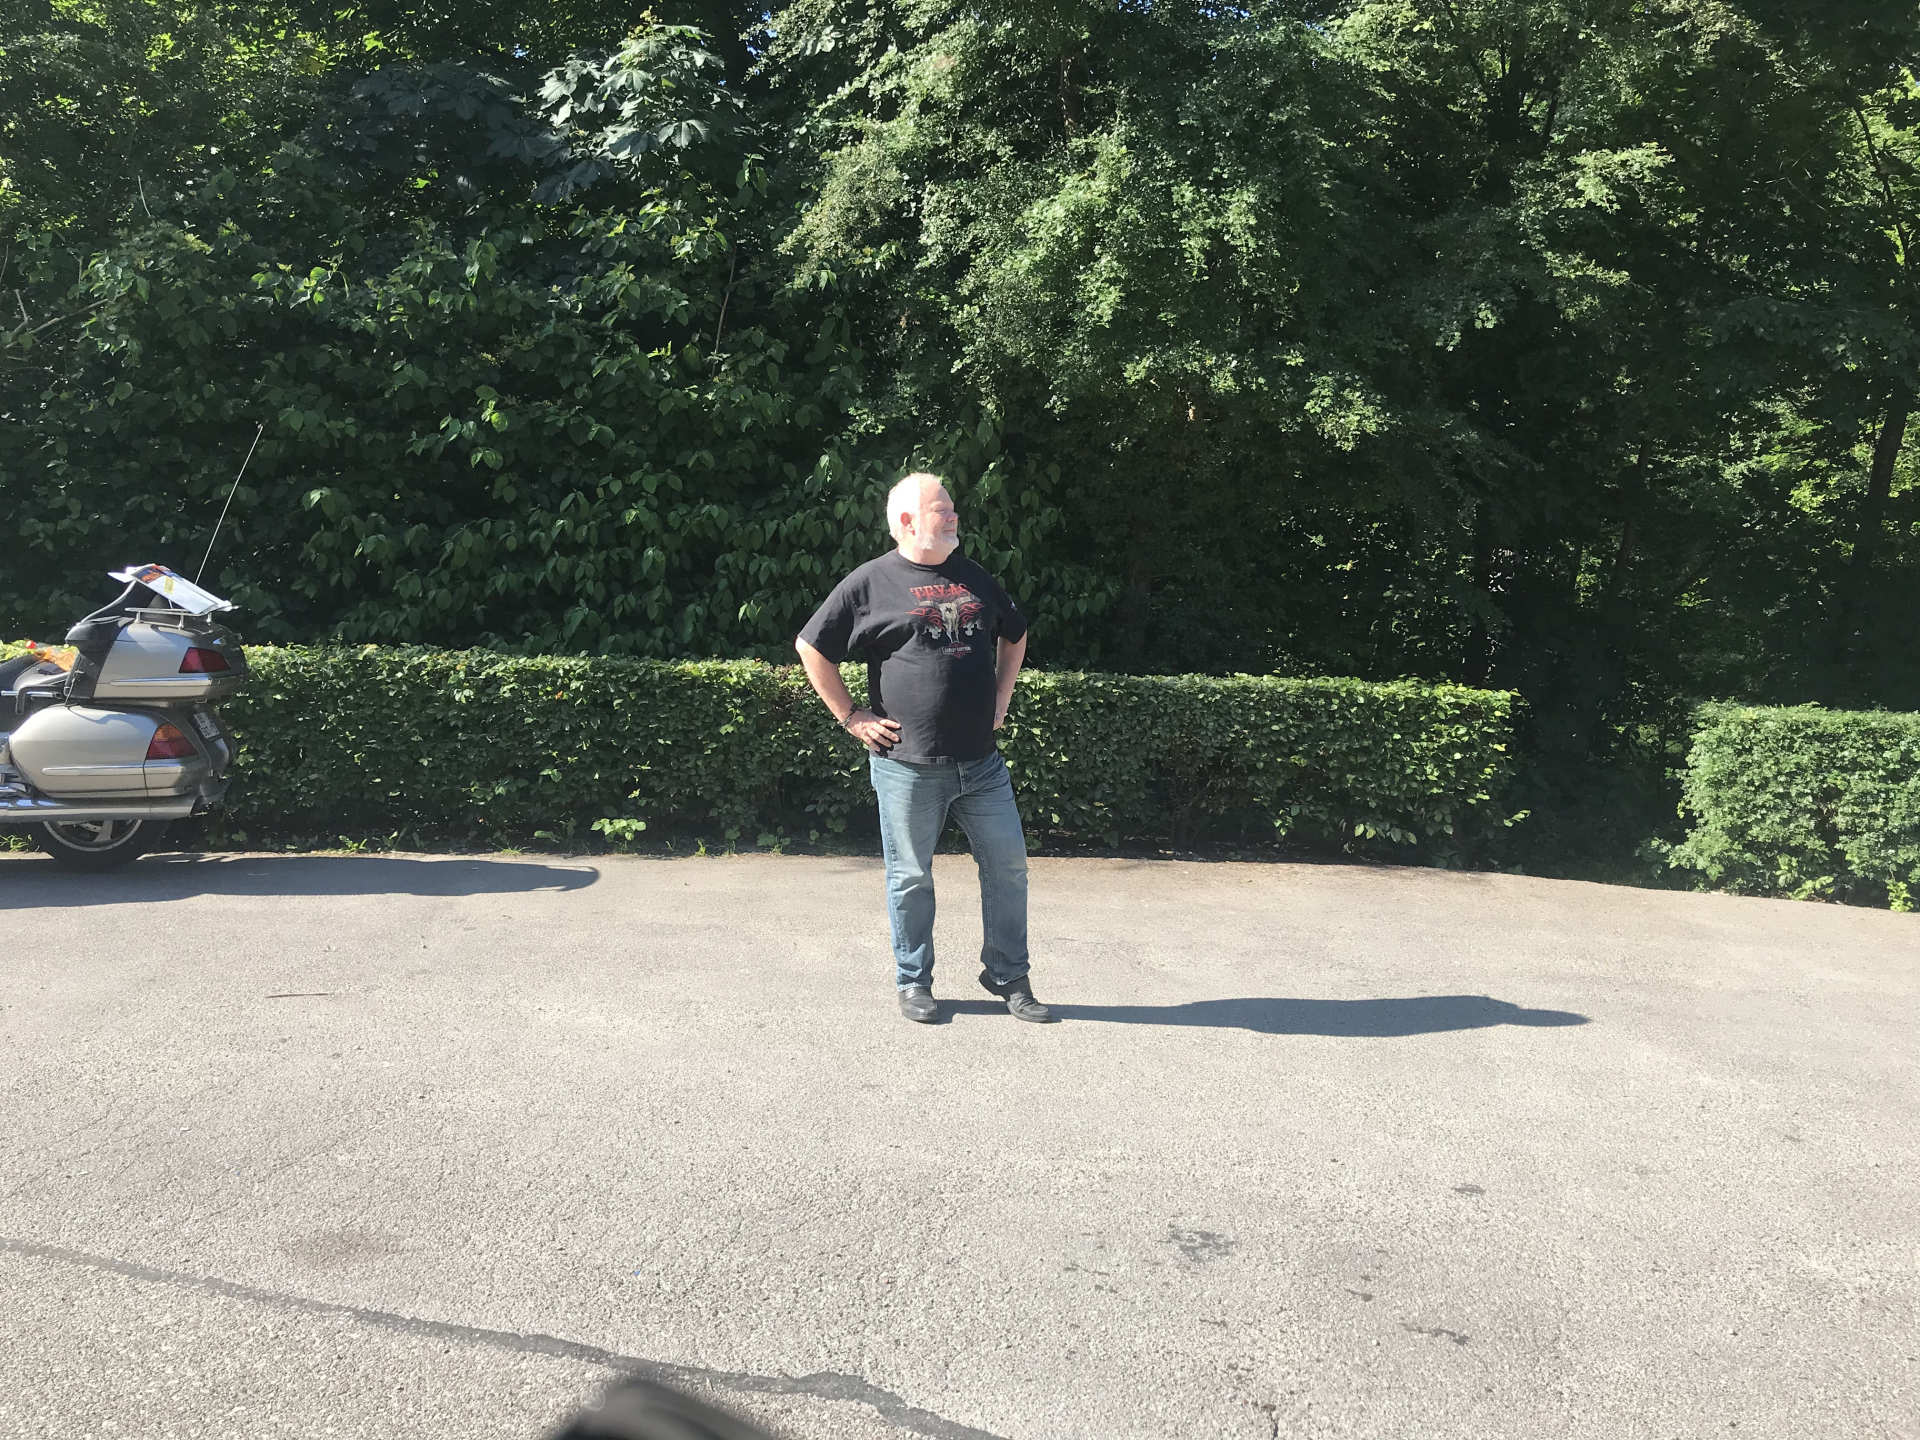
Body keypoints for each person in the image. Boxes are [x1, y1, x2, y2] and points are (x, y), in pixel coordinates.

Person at [794, 472, 1052, 1024]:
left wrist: (1002, 695)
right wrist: (851, 716)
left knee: (1008, 868)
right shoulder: (870, 582)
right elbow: (811, 646)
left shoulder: (974, 576)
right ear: (908, 521)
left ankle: (1008, 974)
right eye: (943, 509)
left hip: (981, 763)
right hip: (907, 767)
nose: (954, 516)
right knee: (910, 877)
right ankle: (914, 981)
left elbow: (1015, 632)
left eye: (952, 508)